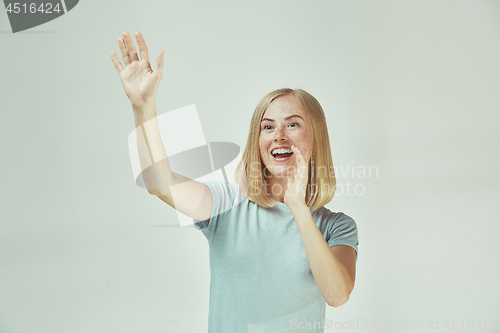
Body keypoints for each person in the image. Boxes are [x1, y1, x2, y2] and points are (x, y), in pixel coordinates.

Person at [111, 31, 358, 333]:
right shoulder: (228, 206)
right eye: (268, 127)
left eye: (293, 124)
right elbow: (159, 184)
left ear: (316, 138)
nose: (279, 134)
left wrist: (299, 209)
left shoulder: (337, 226)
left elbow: (336, 294)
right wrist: (143, 106)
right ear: (258, 141)